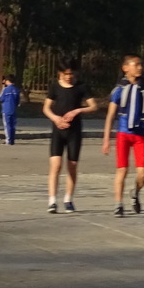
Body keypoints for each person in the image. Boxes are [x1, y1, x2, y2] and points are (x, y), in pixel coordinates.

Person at [103, 55, 144, 216]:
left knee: (143, 173)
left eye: (141, 65)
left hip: (140, 135)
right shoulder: (120, 89)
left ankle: (135, 192)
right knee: (122, 170)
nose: (140, 68)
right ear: (125, 68)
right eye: (136, 65)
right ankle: (118, 204)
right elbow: (111, 115)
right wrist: (106, 138)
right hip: (123, 134)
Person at [43, 60, 93, 213]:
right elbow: (46, 108)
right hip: (58, 130)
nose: (69, 77)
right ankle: (52, 201)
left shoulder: (81, 87)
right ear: (60, 74)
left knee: (72, 166)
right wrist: (55, 118)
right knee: (56, 166)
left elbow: (94, 106)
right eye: (66, 74)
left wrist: (78, 111)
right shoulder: (55, 87)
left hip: (74, 131)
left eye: (71, 74)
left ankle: (68, 199)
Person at [0, 73, 21, 145]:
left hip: (6, 109)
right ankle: (12, 140)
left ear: (7, 81)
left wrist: (3, 88)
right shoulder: (16, 90)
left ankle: (8, 140)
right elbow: (17, 101)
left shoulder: (6, 90)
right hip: (13, 109)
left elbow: (1, 98)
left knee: (7, 125)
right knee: (13, 125)